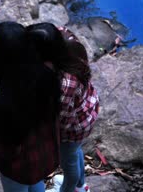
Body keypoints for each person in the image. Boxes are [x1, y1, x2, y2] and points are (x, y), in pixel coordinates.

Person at [0, 21, 61, 192]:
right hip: (45, 155)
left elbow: (7, 149)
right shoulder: (47, 74)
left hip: (20, 168)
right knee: (36, 184)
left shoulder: (5, 104)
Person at [27, 23, 100, 192]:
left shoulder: (65, 84)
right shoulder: (62, 40)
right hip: (86, 109)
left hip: (73, 129)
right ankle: (81, 184)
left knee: (68, 161)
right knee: (75, 152)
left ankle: (71, 188)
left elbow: (61, 119)